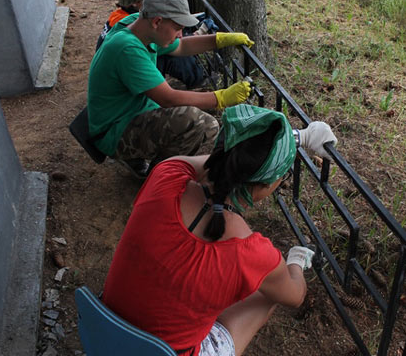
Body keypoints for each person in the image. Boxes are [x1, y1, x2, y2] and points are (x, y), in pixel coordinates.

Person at [102, 104, 338, 355]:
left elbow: (215, 163)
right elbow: (295, 296)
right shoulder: (253, 253)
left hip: (105, 332)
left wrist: (295, 137)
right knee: (270, 293)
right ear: (269, 184)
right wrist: (295, 261)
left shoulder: (166, 174)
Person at [87, 0, 255, 178]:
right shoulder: (127, 49)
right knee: (198, 124)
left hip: (127, 113)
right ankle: (157, 181)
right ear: (157, 21)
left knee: (202, 122)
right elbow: (169, 98)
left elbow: (182, 46)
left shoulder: (138, 25)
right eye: (178, 28)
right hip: (113, 132)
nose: (181, 34)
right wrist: (221, 97)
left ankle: (139, 158)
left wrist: (220, 39)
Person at [96, 0, 207, 88]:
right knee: (170, 54)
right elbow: (168, 42)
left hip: (118, 71)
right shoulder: (127, 27)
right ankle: (199, 81)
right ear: (136, 2)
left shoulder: (123, 16)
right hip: (122, 75)